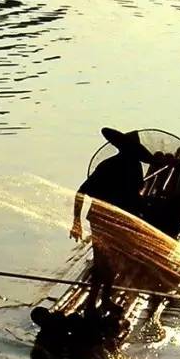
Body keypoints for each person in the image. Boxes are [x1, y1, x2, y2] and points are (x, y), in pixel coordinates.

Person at [70, 127, 153, 308]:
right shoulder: (110, 166)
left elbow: (133, 196)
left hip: (120, 221)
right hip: (103, 220)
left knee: (110, 260)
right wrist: (76, 222)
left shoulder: (133, 167)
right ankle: (94, 302)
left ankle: (102, 299)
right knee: (104, 261)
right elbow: (81, 192)